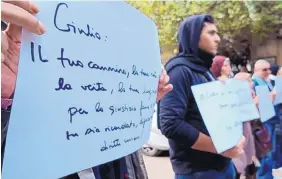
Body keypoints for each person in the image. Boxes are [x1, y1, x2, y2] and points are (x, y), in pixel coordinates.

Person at [1, 1, 173, 179]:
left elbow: (113, 133)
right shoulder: (18, 65)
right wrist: (5, 98)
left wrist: (139, 104)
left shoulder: (103, 79)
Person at [159, 14, 245, 179]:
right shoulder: (179, 71)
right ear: (193, 37)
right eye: (211, 33)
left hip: (222, 165)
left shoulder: (204, 71)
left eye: (217, 33)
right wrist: (220, 147)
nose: (218, 38)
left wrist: (234, 136)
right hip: (198, 171)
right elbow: (170, 124)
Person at [252, 60, 279, 179]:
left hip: (272, 119)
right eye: (265, 70)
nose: (268, 72)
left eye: (269, 69)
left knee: (270, 151)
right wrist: (270, 97)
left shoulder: (267, 81)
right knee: (265, 152)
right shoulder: (254, 82)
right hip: (263, 122)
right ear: (256, 70)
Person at [232, 72, 258, 179]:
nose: (251, 83)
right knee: (239, 160)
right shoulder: (234, 94)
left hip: (248, 129)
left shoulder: (250, 92)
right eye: (249, 80)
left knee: (249, 157)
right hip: (239, 131)